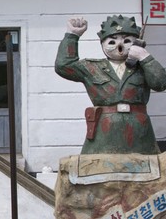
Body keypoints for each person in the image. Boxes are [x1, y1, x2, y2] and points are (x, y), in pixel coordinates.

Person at [55, 15, 166, 154]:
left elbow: (161, 83)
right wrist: (72, 35)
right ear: (102, 44)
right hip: (103, 130)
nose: (119, 46)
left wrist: (145, 58)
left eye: (126, 41)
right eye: (112, 42)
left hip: (139, 130)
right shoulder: (92, 67)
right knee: (97, 168)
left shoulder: (142, 67)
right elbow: (63, 66)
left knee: (146, 170)